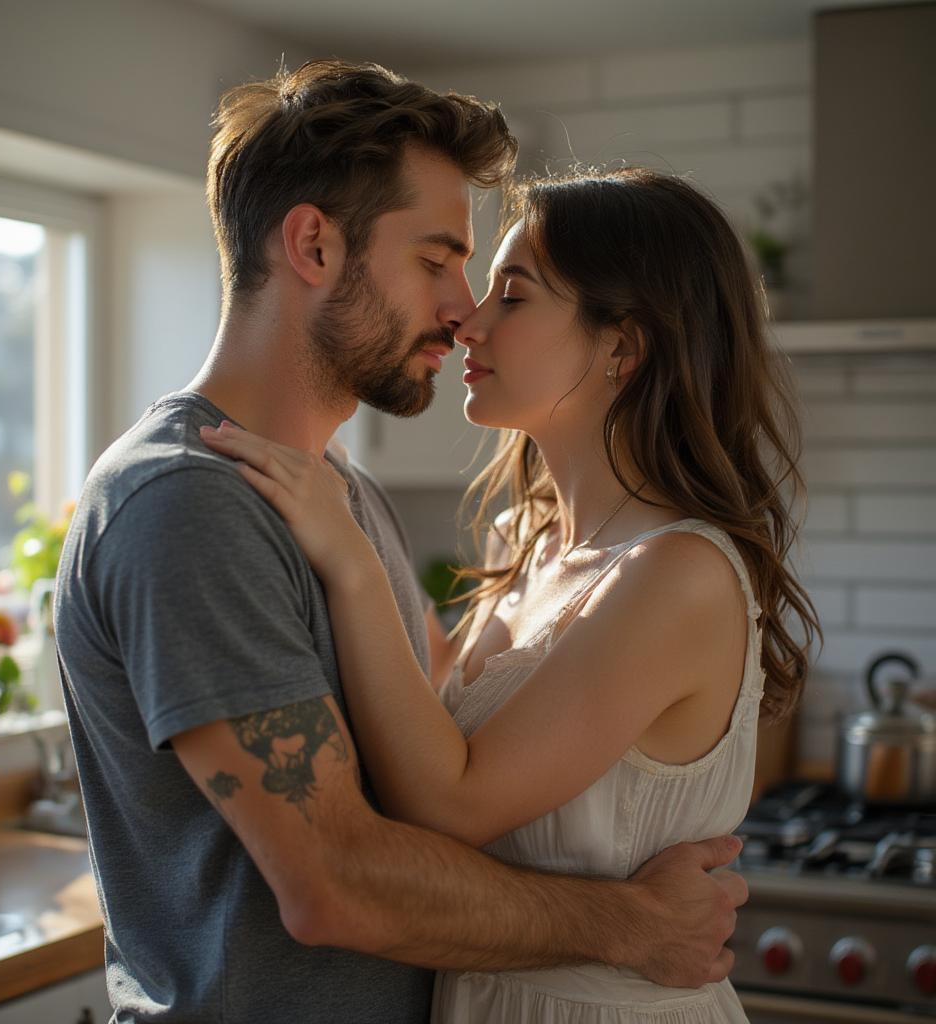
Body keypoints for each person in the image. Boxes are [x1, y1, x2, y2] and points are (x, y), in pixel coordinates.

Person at [54, 61, 747, 1024]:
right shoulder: (188, 504)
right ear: (313, 246)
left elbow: (436, 767)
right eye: (436, 261)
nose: (462, 308)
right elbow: (336, 881)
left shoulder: (342, 493)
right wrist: (631, 925)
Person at [201, 166, 819, 1023]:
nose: (468, 321)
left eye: (513, 296)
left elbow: (449, 803)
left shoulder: (679, 575)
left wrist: (351, 563)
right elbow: (424, 724)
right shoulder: (527, 547)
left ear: (621, 347)